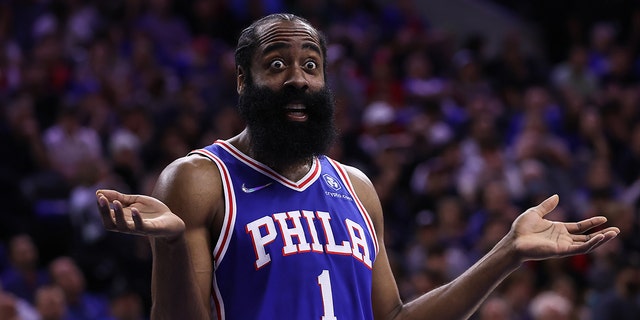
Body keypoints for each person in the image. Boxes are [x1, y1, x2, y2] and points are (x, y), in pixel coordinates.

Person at [95, 13, 620, 319]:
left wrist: (507, 254)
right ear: (242, 82)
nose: (297, 78)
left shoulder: (357, 187)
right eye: (276, 65)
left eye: (311, 65)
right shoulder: (199, 179)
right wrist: (168, 245)